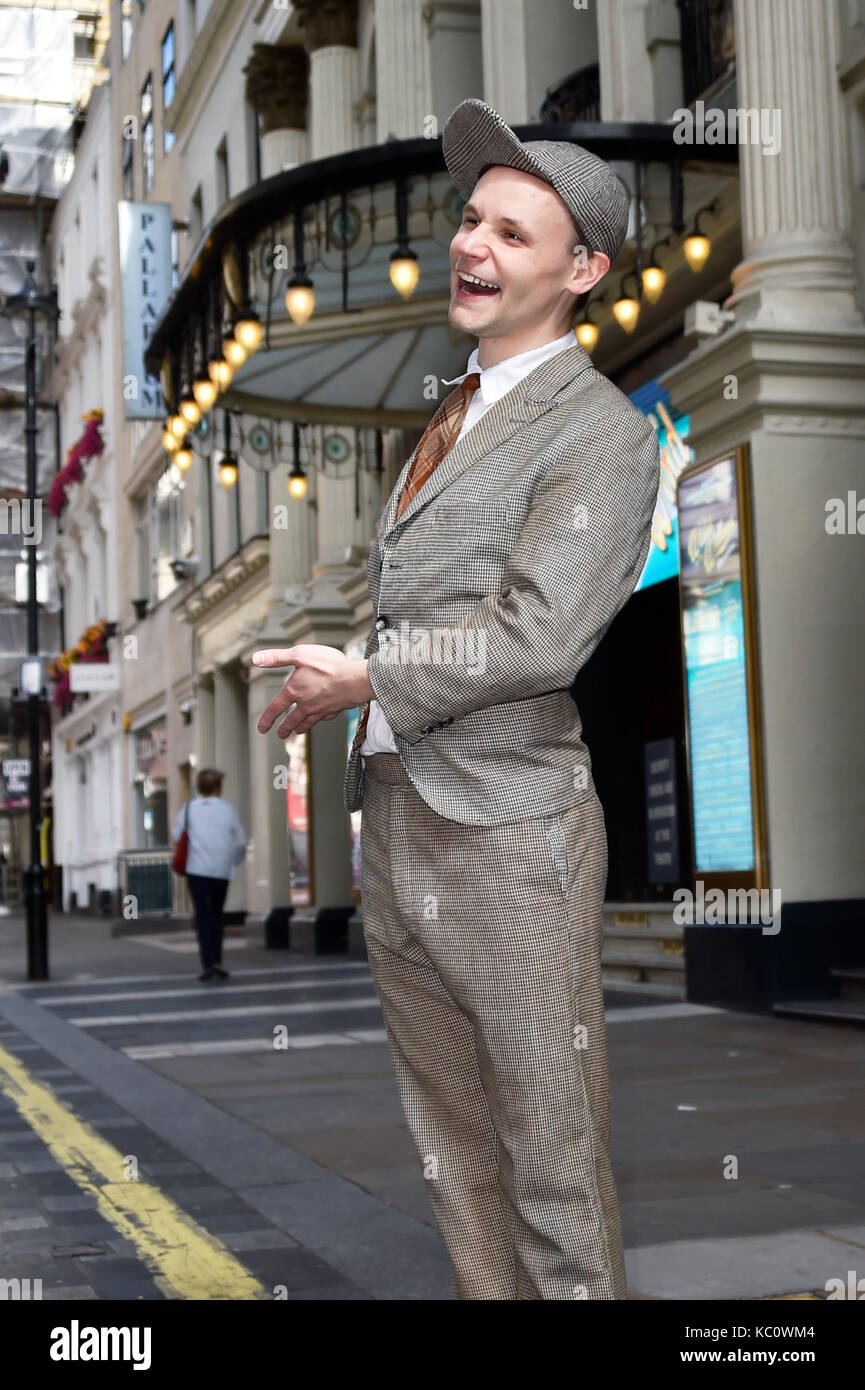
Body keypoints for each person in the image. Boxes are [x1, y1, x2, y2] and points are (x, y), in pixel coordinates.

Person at [252, 98, 660, 1300]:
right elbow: (431, 608)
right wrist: (350, 682)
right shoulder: (453, 410)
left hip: (511, 834)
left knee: (550, 1157)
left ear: (581, 272)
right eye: (470, 219)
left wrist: (370, 677)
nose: (470, 246)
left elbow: (541, 633)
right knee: (453, 1151)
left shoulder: (599, 434)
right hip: (401, 815)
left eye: (510, 234)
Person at [171, 768, 247, 982]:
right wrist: (233, 861)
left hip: (196, 870)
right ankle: (218, 960)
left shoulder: (188, 809)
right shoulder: (228, 810)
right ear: (218, 788)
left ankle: (207, 962)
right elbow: (241, 841)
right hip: (221, 870)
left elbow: (176, 835)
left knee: (202, 915)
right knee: (217, 915)